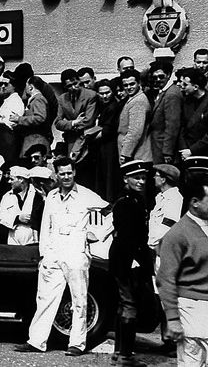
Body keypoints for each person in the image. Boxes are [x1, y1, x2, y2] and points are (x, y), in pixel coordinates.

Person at [15, 157, 109, 356]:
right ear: (56, 175)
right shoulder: (51, 196)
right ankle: (36, 341)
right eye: (62, 173)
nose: (66, 177)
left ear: (74, 172)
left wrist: (97, 234)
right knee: (45, 298)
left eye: (69, 173)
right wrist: (44, 254)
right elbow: (45, 227)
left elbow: (111, 212)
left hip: (76, 252)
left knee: (79, 299)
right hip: (54, 251)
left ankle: (77, 344)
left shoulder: (86, 195)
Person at [157, 171, 208, 367]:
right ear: (195, 202)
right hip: (192, 311)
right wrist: (173, 319)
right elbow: (165, 279)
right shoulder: (177, 235)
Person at [109, 161, 154, 366]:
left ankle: (119, 353)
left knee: (124, 303)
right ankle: (125, 357)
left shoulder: (135, 200)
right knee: (129, 304)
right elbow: (128, 237)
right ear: (126, 179)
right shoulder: (127, 202)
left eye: (143, 178)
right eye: (136, 178)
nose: (141, 181)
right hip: (128, 259)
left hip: (125, 257)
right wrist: (137, 261)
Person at [0, 166, 44, 245]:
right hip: (13, 237)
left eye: (12, 179)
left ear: (21, 179)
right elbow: (0, 217)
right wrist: (17, 218)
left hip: (32, 237)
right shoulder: (7, 196)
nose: (9, 182)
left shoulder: (37, 194)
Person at [118, 69, 152, 163]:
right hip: (134, 153)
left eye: (132, 84)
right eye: (125, 85)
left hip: (136, 154)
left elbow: (135, 131)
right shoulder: (133, 98)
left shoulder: (138, 101)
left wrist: (125, 153)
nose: (129, 87)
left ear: (139, 83)